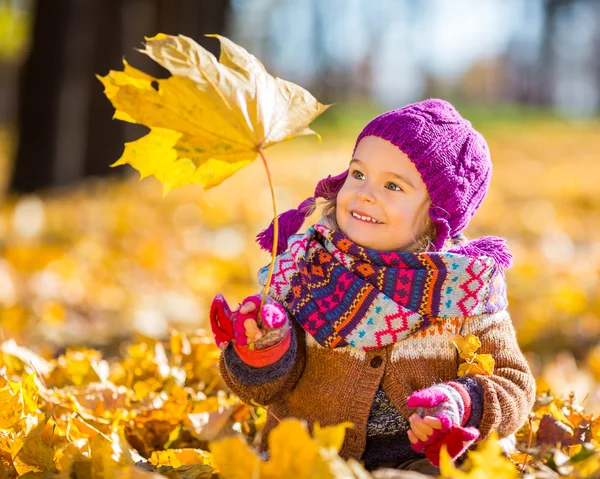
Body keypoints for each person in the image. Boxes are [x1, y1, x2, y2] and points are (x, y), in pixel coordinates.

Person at [209, 98, 536, 473]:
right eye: (358, 174)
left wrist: (462, 402)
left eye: (393, 186)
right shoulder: (307, 270)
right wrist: (263, 350)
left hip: (422, 461)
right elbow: (261, 390)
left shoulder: (465, 291)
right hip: (312, 458)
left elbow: (514, 384)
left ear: (438, 218)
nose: (365, 193)